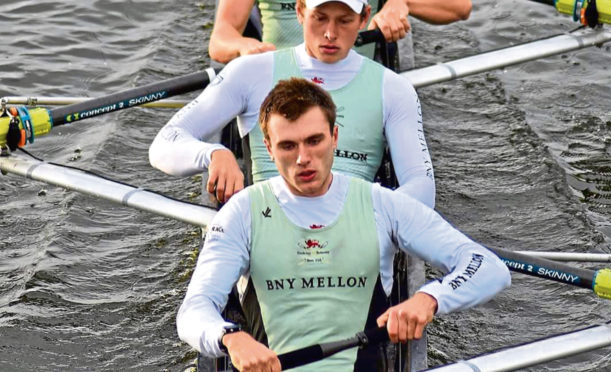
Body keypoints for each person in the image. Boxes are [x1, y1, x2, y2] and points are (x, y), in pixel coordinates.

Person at [176, 78, 511, 371]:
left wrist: (429, 299)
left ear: (334, 137)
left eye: (314, 141)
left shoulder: (382, 203)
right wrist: (230, 338)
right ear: (268, 148)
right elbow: (195, 309)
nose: (303, 158)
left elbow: (487, 267)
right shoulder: (241, 213)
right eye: (288, 146)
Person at [150, 0, 435, 209]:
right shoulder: (250, 72)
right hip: (271, 229)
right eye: (320, 17)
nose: (330, 33)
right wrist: (213, 154)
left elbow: (422, 187)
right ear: (300, 11)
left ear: (364, 18)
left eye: (344, 20)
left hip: (356, 233)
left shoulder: (394, 88)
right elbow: (164, 143)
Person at [208, 0, 472, 64]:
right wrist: (243, 46)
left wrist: (403, 3)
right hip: (281, 84)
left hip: (356, 80)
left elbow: (460, 6)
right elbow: (221, 38)